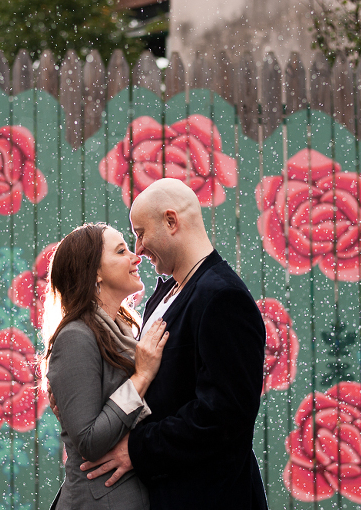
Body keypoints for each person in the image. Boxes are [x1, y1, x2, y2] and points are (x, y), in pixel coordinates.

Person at [80, 178, 269, 509]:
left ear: (171, 221)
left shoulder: (222, 297)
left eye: (140, 233)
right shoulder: (164, 295)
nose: (138, 249)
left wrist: (137, 448)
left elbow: (224, 416)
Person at [44, 223, 169, 510]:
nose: (136, 257)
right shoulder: (75, 336)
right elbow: (89, 440)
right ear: (95, 272)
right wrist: (142, 376)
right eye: (121, 251)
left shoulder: (121, 331)